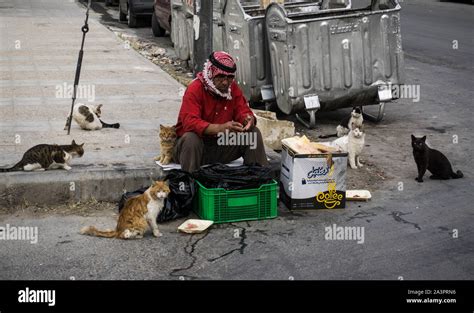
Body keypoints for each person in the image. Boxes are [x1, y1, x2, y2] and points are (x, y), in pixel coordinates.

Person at [173, 51, 268, 172]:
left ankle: (257, 179)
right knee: (191, 139)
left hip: (220, 146)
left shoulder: (232, 88)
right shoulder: (195, 88)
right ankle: (190, 184)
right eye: (221, 77)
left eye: (229, 77)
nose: (225, 82)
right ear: (211, 73)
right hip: (193, 149)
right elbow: (189, 122)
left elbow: (242, 109)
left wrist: (248, 119)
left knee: (253, 133)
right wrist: (219, 128)